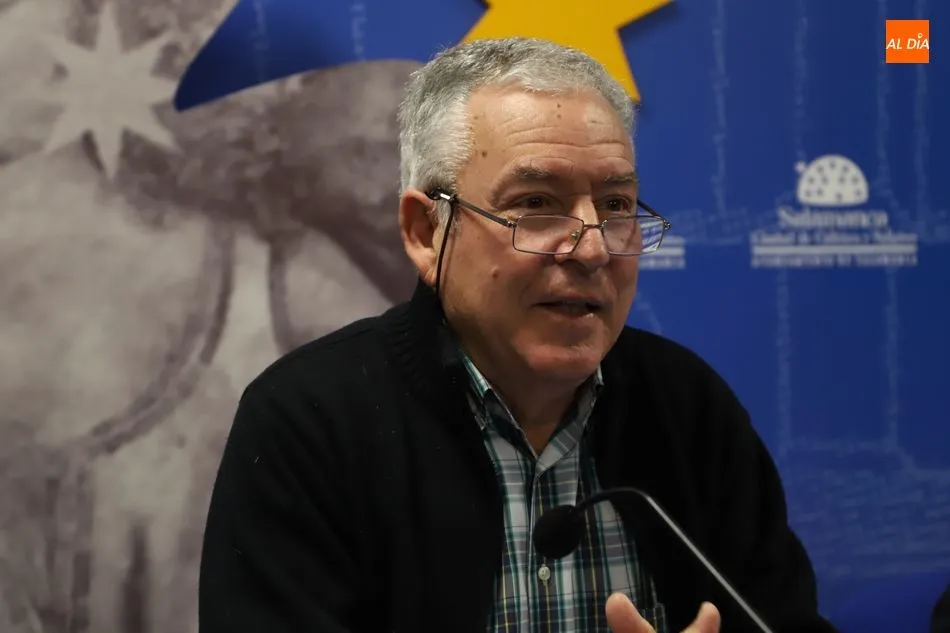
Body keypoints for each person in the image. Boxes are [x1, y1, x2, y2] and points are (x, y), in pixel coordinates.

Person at [197, 37, 838, 633]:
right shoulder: (309, 420)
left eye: (615, 206)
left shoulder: (688, 408)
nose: (592, 249)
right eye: (535, 204)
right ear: (426, 232)